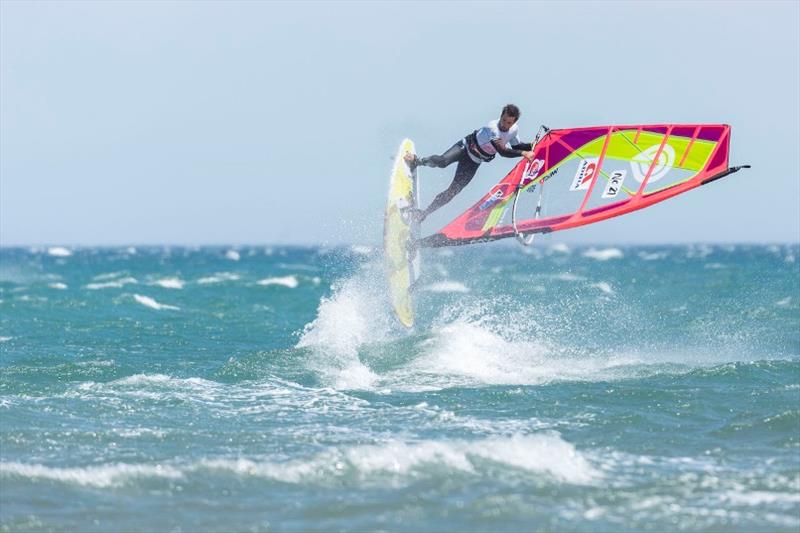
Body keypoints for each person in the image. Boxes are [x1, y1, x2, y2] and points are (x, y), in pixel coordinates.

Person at [404, 104, 535, 223]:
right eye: (504, 120)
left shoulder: (514, 130)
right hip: (464, 148)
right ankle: (418, 161)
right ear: (501, 116)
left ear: (514, 122)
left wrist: (531, 145)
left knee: (453, 191)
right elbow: (502, 151)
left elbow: (517, 145)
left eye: (509, 123)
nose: (505, 124)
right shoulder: (493, 128)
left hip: (474, 161)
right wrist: (523, 153)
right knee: (443, 161)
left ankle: (424, 214)